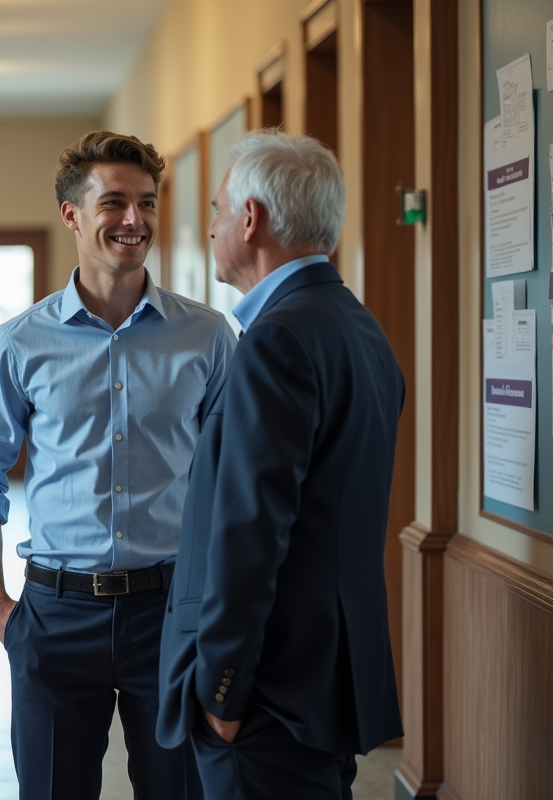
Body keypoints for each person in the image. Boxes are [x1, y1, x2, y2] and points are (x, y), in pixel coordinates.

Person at [0, 130, 236, 799]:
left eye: (147, 202)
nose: (135, 219)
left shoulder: (208, 337)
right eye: (113, 202)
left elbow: (234, 482)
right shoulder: (18, 344)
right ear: (72, 214)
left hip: (171, 614)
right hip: (55, 617)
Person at [156, 130, 405, 800]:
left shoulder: (278, 340)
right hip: (324, 680)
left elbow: (249, 533)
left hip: (267, 693)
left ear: (250, 218)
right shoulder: (358, 327)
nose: (210, 227)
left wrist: (221, 693)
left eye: (217, 210)